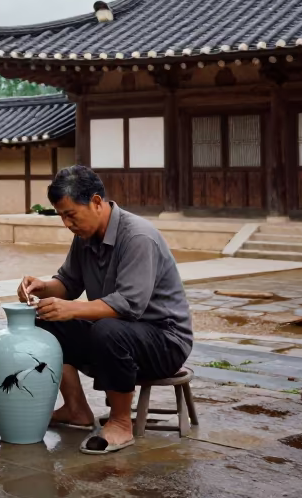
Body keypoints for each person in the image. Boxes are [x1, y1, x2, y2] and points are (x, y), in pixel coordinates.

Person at [18, 164, 192, 454]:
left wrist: (72, 308)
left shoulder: (138, 236)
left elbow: (129, 304)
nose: (67, 223)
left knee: (108, 330)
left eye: (70, 214)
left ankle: (121, 424)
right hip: (119, 331)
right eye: (61, 216)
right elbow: (68, 283)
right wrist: (42, 288)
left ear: (96, 202)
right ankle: (76, 409)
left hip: (165, 341)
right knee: (45, 319)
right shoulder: (84, 237)